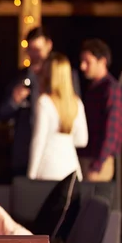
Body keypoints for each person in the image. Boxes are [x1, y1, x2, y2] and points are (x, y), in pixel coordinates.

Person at [0, 26, 81, 177]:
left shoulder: (65, 77)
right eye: (31, 50)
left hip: (55, 159)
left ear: (49, 45)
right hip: (24, 153)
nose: (35, 55)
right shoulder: (20, 77)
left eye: (38, 49)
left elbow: (76, 119)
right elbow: (2, 113)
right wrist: (14, 101)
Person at [28, 52, 88, 181]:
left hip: (48, 170)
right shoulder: (77, 103)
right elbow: (82, 140)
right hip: (72, 169)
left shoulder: (44, 102)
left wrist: (31, 176)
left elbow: (39, 141)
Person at [78, 38, 122, 181]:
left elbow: (112, 130)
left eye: (88, 62)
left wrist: (98, 164)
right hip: (86, 157)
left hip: (97, 161)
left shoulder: (110, 90)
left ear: (102, 61)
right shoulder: (93, 88)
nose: (82, 66)